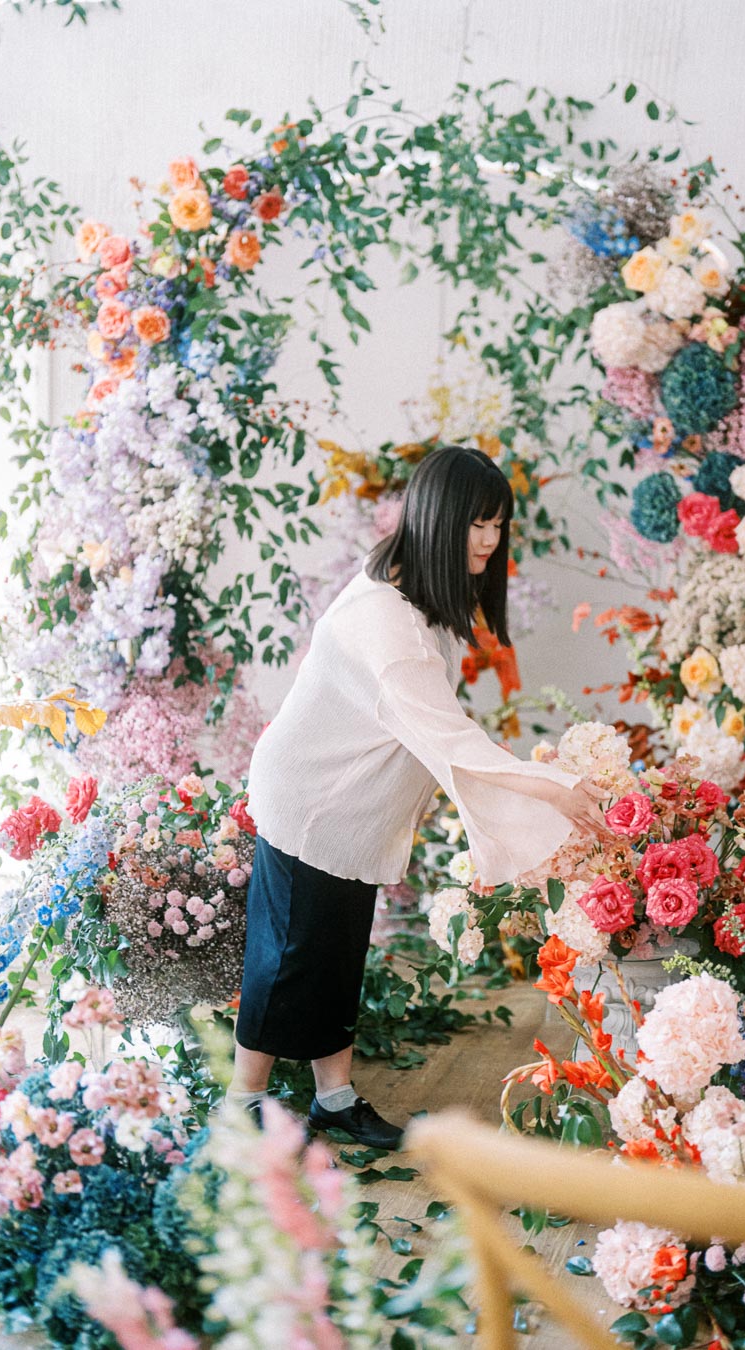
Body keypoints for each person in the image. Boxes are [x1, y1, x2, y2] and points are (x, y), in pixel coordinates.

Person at [228, 444, 604, 1147]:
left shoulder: (417, 593)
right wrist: (556, 788)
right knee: (289, 957)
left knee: (338, 950)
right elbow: (453, 740)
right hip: (313, 800)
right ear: (439, 518)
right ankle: (241, 1106)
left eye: (498, 525)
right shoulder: (387, 620)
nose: (490, 541)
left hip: (353, 803)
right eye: (477, 524)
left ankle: (334, 1102)